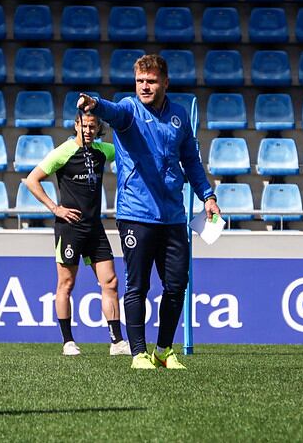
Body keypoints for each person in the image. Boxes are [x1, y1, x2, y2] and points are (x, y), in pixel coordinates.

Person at [77, 54, 220, 370]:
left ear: (165, 82)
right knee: (137, 286)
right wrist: (94, 104)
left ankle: (163, 351)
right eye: (140, 81)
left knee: (177, 285)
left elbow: (191, 161)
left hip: (173, 216)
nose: (144, 86)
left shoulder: (179, 115)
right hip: (137, 215)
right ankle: (138, 353)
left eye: (151, 81)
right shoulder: (129, 110)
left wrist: (207, 196)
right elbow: (112, 111)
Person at [25, 111, 131, 356]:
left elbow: (128, 148)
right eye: (84, 126)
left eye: (93, 127)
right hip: (70, 228)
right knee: (66, 284)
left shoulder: (103, 151)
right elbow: (32, 180)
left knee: (111, 282)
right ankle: (68, 342)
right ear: (76, 125)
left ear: (98, 128)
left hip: (95, 228)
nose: (88, 130)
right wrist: (56, 208)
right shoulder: (63, 152)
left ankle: (117, 342)